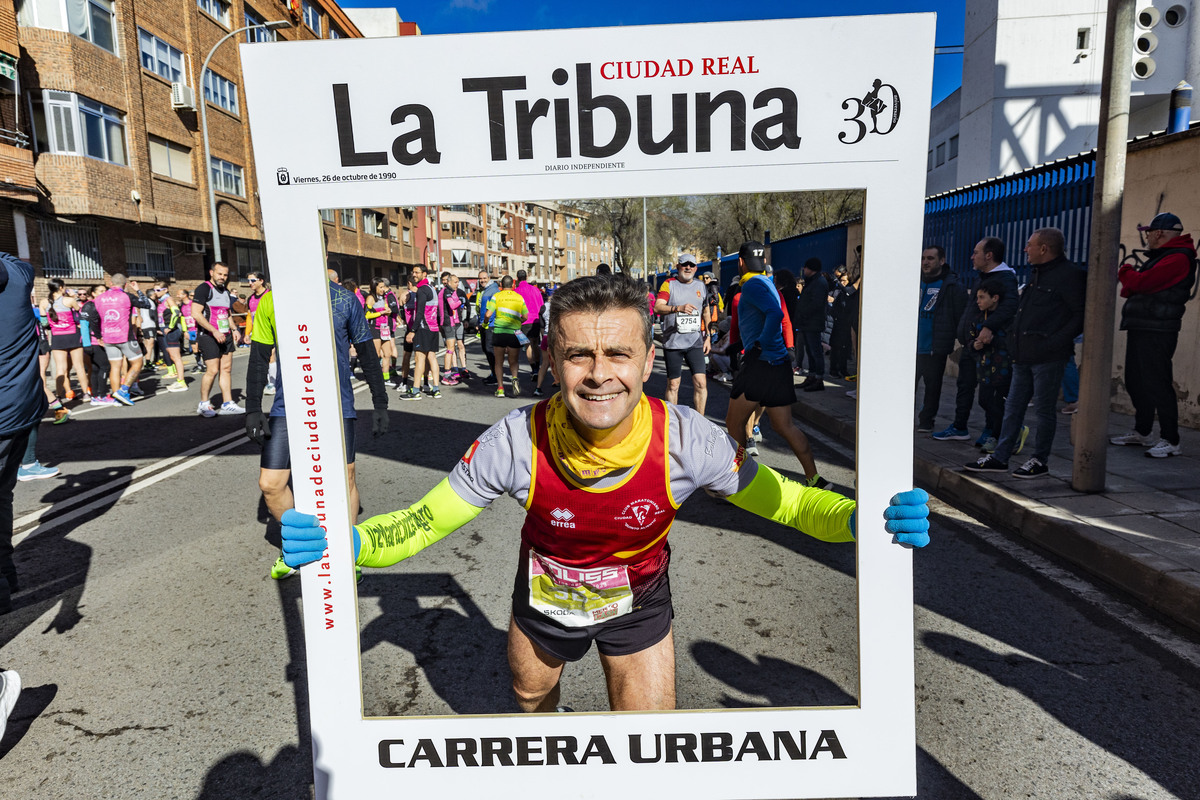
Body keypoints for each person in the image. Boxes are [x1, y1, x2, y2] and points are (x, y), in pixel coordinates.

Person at [278, 275, 930, 712]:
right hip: (544, 602)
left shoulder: (688, 441)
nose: (598, 376)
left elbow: (792, 504)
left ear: (649, 361)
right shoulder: (515, 440)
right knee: (534, 711)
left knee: (644, 751)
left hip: (638, 606)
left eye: (618, 354)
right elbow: (422, 524)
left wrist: (866, 521)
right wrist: (347, 543)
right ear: (552, 360)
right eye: (578, 356)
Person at [245, 270, 389, 579]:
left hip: (338, 404)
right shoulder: (271, 301)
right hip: (287, 406)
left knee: (345, 477)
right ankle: (299, 547)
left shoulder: (344, 298)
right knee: (270, 484)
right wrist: (252, 408)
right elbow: (259, 357)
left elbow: (367, 354)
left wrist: (380, 403)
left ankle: (347, 551)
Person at [966, 228, 1086, 479]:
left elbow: (1078, 317)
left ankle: (1039, 460)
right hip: (1022, 356)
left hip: (1048, 357)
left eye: (1029, 245)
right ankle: (1000, 457)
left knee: (1043, 410)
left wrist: (1053, 344)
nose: (1025, 250)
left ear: (1044, 248)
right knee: (1013, 408)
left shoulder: (1069, 275)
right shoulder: (1036, 274)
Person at [725, 242, 829, 488]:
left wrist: (758, 345)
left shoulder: (751, 285)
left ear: (741, 262)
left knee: (733, 422)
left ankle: (737, 482)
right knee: (783, 425)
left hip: (761, 365)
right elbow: (768, 318)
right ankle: (814, 478)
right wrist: (740, 343)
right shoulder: (769, 284)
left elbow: (775, 315)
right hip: (778, 364)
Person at [1110, 212, 1197, 458]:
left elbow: (1140, 283)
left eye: (1149, 232)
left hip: (1158, 329)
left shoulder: (1179, 258)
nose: (1147, 236)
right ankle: (1143, 431)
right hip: (1144, 326)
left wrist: (1126, 270)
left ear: (1158, 233)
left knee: (1157, 383)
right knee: (1136, 380)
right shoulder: (1165, 257)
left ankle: (1171, 439)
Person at [1, 251, 50, 614]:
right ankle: (6, 577)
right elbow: (20, 262)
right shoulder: (19, 276)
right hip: (21, 409)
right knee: (2, 495)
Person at [934, 237, 1018, 443]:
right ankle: (960, 426)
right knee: (964, 387)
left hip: (990, 349)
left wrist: (989, 327)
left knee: (989, 394)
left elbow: (1009, 307)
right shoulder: (982, 277)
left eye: (976, 252)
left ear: (989, 255)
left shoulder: (1005, 278)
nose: (972, 257)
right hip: (971, 345)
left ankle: (992, 430)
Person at [914, 246, 965, 432]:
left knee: (932, 388)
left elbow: (959, 315)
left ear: (941, 261)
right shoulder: (913, 281)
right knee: (906, 387)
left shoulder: (951, 285)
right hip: (911, 347)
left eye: (930, 258)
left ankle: (926, 422)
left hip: (935, 347)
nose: (925, 262)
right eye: (923, 259)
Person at [654, 254, 711, 415]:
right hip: (673, 343)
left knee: (701, 382)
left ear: (696, 268)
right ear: (678, 267)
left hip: (695, 342)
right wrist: (677, 308)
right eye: (684, 265)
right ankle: (673, 420)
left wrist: (708, 337)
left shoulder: (700, 286)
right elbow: (658, 307)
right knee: (673, 384)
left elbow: (706, 311)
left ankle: (700, 420)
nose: (688, 268)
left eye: (691, 265)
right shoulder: (669, 284)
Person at [192, 262, 245, 417]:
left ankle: (227, 403)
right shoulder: (204, 288)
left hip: (225, 334)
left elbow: (226, 313)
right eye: (220, 274)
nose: (223, 277)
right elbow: (196, 313)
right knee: (213, 370)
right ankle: (204, 404)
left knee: (226, 369)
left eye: (225, 275)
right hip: (209, 335)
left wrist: (234, 329)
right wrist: (214, 331)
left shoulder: (226, 291)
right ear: (211, 272)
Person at [967, 279, 1013, 453]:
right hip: (984, 370)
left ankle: (996, 436)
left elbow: (1011, 342)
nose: (978, 301)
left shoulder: (1005, 319)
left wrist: (994, 341)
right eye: (977, 297)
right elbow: (971, 339)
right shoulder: (978, 318)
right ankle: (1008, 429)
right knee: (984, 401)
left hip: (1003, 370)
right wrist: (974, 345)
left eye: (981, 297)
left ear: (995, 298)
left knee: (1000, 403)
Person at [92, 274, 149, 406]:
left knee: (115, 367)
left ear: (111, 283)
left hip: (108, 337)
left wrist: (98, 336)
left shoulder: (99, 298)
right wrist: (138, 290)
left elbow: (94, 319)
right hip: (125, 337)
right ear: (125, 285)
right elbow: (146, 304)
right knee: (138, 363)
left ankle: (116, 397)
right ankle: (123, 391)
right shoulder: (126, 296)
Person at [42, 280, 91, 403]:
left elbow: (44, 324)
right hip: (73, 335)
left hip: (57, 337)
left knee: (60, 368)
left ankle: (58, 396)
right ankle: (86, 393)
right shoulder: (69, 301)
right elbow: (79, 317)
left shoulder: (43, 302)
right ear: (61, 287)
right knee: (79, 366)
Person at [402, 265, 442, 399]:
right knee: (432, 357)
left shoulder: (422, 290)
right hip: (433, 328)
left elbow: (419, 313)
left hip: (424, 328)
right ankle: (436, 389)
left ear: (424, 274)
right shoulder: (432, 288)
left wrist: (412, 331)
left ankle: (415, 391)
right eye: (413, 272)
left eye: (417, 272)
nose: (414, 275)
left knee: (419, 358)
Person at [485, 275, 528, 398]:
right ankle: (514, 379)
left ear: (501, 286)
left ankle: (500, 389)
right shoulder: (519, 298)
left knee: (498, 362)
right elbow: (526, 317)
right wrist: (517, 321)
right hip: (514, 332)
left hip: (499, 332)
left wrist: (485, 322)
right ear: (513, 285)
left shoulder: (496, 296)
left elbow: (488, 314)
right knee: (513, 361)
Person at [796, 258, 829, 391]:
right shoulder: (812, 281)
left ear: (812, 269)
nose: (804, 270)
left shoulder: (819, 283)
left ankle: (819, 378)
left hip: (813, 323)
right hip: (807, 323)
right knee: (810, 351)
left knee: (816, 351)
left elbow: (816, 304)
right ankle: (812, 376)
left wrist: (804, 313)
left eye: (806, 267)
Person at [364, 277, 399, 388]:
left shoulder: (383, 297)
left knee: (387, 354)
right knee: (376, 354)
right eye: (381, 287)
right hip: (374, 328)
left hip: (385, 328)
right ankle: (373, 377)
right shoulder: (370, 298)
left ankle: (386, 377)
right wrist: (382, 312)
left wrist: (387, 312)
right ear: (375, 287)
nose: (383, 289)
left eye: (384, 287)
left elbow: (386, 310)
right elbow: (367, 315)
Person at [438, 273, 469, 385]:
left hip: (452, 322)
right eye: (455, 282)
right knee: (450, 349)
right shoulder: (446, 291)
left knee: (452, 347)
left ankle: (450, 373)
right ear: (449, 282)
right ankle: (446, 376)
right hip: (447, 322)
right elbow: (452, 305)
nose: (457, 284)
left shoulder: (451, 291)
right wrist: (461, 301)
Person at [514, 270, 545, 380]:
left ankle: (534, 369)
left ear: (517, 278)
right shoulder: (535, 290)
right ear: (526, 277)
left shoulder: (516, 291)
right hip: (535, 320)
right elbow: (542, 306)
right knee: (535, 344)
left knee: (527, 346)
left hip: (523, 321)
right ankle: (537, 366)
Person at [475, 270, 500, 386]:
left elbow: (491, 310)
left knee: (489, 350)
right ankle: (493, 374)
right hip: (485, 324)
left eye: (484, 278)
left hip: (490, 325)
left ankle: (495, 375)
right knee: (486, 349)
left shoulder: (493, 290)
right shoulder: (486, 290)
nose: (482, 281)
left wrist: (484, 322)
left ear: (489, 278)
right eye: (480, 279)